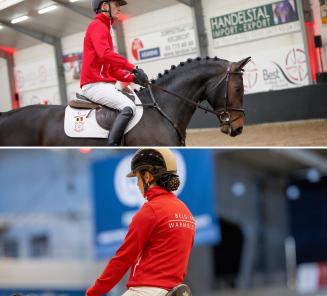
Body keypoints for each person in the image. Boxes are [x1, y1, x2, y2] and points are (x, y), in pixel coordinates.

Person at [86, 148, 196, 296]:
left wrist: (93, 292)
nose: (137, 185)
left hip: (145, 291)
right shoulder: (186, 212)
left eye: (137, 178)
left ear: (147, 176)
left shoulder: (151, 211)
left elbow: (123, 259)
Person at [80, 0, 149, 146]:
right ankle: (112, 145)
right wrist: (133, 68)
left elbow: (112, 70)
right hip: (94, 85)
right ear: (105, 6)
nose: (119, 8)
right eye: (116, 4)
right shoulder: (97, 26)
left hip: (105, 85)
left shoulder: (106, 28)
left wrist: (133, 78)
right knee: (129, 107)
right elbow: (105, 54)